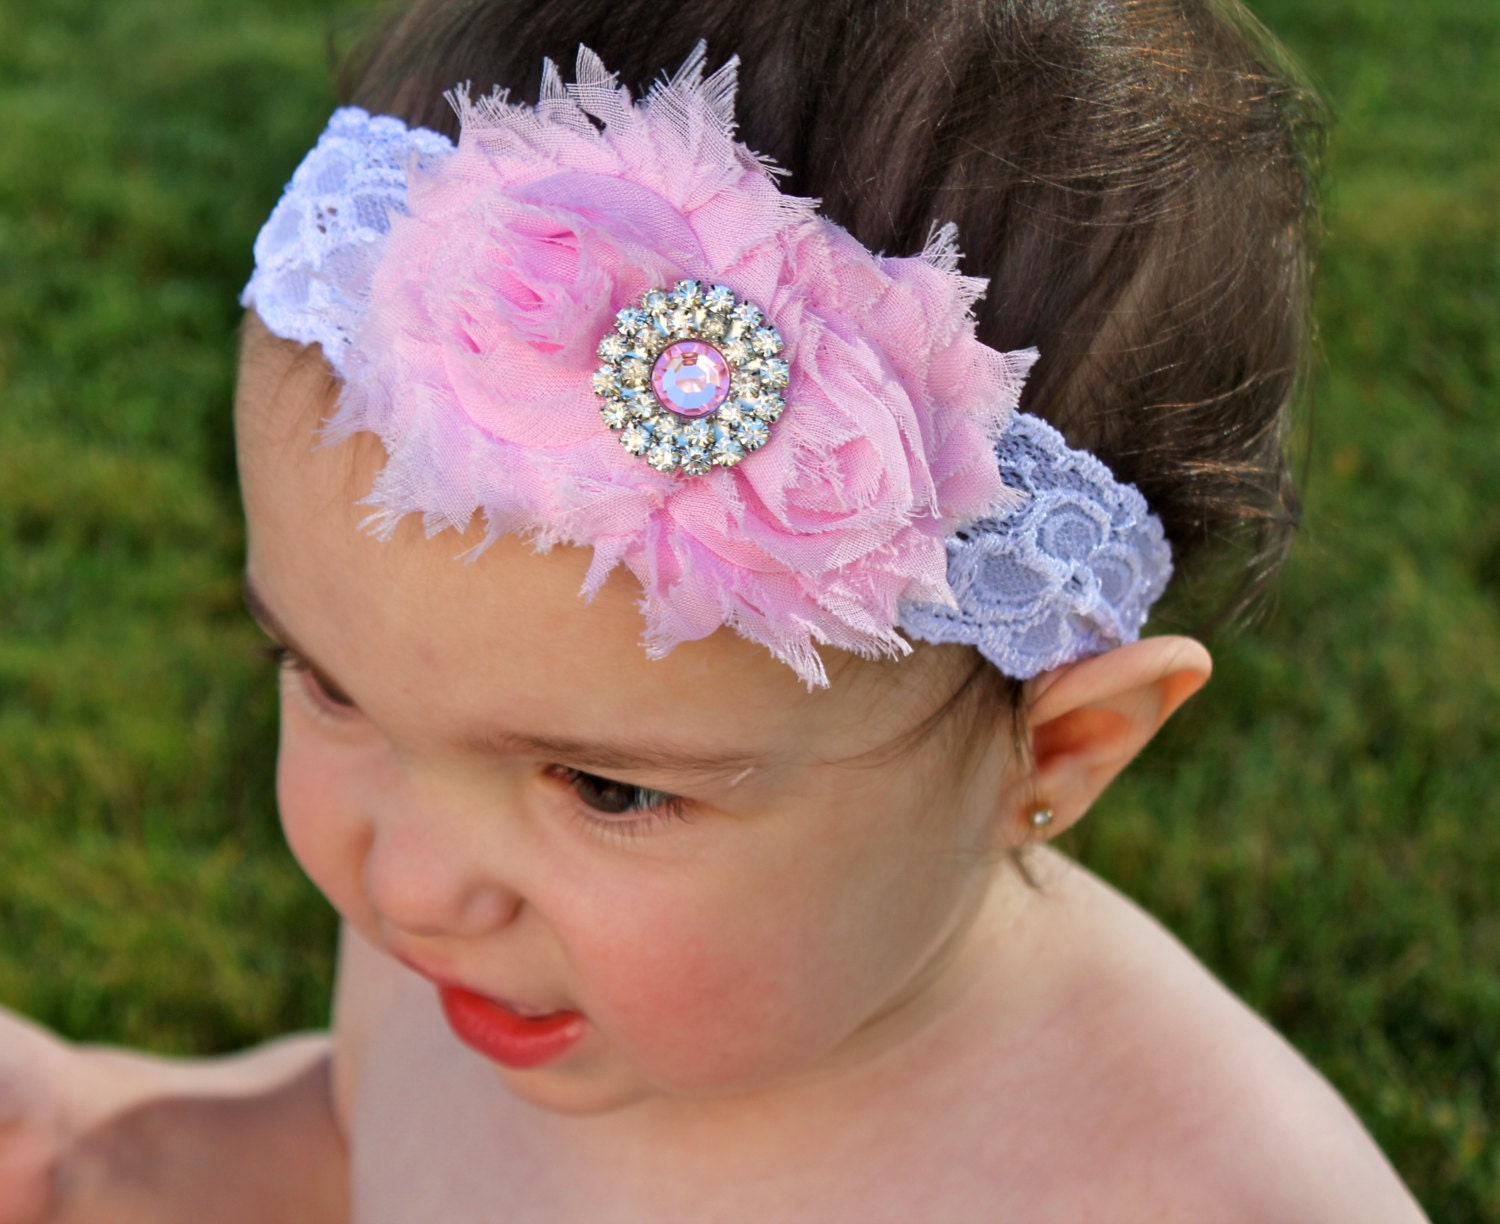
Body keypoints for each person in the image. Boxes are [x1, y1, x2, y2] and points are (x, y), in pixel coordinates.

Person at [0, 0, 1433, 1220]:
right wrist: (104, 1141)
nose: (405, 887)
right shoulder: (490, 881)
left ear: (1056, 754)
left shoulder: (1193, 1198)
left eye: (612, 792)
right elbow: (383, 1141)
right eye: (323, 683)